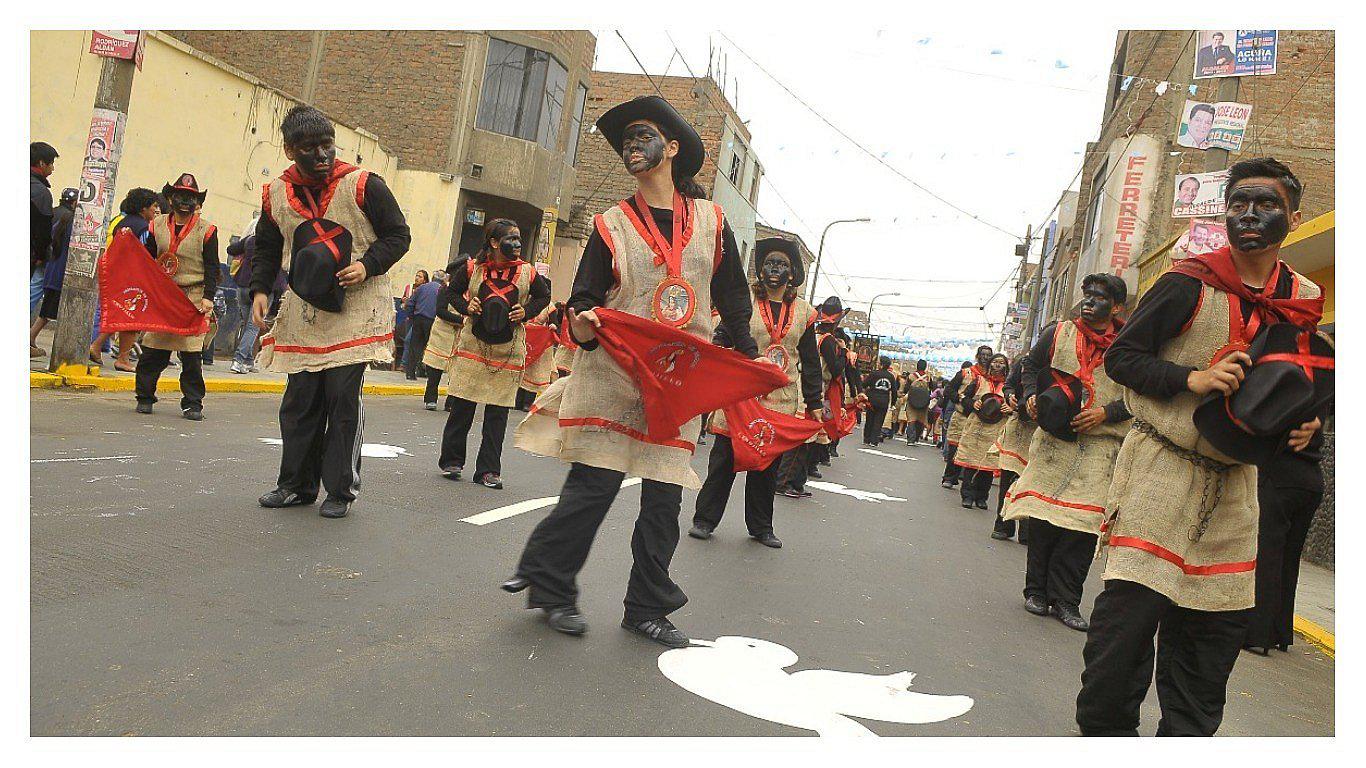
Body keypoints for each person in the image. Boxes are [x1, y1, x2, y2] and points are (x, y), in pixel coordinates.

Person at [1077, 158, 1324, 736]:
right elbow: (1123, 358)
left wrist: (1308, 423)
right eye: (1237, 203)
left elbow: (1306, 377)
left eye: (1264, 204)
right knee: (1125, 636)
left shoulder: (1303, 294)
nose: (1248, 216)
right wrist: (1191, 378)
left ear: (1293, 215)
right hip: (1161, 471)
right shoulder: (1190, 281)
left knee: (1209, 646)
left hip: (1239, 489)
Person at [504, 95, 759, 647]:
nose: (630, 146)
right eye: (624, 140)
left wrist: (745, 363)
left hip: (677, 381)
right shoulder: (611, 224)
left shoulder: (713, 222)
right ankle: (550, 586)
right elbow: (585, 298)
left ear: (671, 148)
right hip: (615, 374)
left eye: (641, 136)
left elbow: (735, 298)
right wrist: (584, 323)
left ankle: (646, 607)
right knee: (593, 487)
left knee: (664, 501)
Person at [251, 105, 412, 519]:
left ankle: (340, 489)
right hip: (305, 309)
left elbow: (399, 235)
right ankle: (295, 485)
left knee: (342, 399)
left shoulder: (364, 185)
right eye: (309, 149)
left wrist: (368, 264)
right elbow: (268, 248)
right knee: (300, 400)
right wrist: (259, 290)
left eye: (327, 146)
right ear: (290, 150)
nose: (321, 156)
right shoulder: (274, 195)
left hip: (358, 307)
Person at [1001, 274, 1130, 632]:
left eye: (1099, 297)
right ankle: (1036, 592)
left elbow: (1142, 394)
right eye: (1086, 295)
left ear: (1116, 307)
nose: (1088, 302)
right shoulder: (1057, 332)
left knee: (1083, 527)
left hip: (1100, 447)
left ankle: (1067, 601)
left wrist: (1109, 413)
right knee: (1043, 520)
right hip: (1053, 441)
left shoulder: (1130, 343)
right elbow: (1031, 367)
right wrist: (1030, 395)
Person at [690, 237, 822, 549]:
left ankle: (761, 527)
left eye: (782, 265)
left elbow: (811, 361)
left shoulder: (804, 313)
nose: (775, 269)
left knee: (767, 466)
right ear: (760, 270)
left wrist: (815, 402)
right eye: (769, 263)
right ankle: (705, 520)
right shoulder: (744, 300)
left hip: (781, 399)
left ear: (792, 274)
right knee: (723, 460)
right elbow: (724, 334)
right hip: (740, 397)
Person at [438, 219, 550, 488]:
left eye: (519, 238)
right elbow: (451, 292)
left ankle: (489, 470)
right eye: (511, 238)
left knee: (497, 414)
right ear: (494, 243)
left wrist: (527, 312)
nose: (517, 243)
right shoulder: (472, 268)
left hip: (507, 351)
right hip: (473, 346)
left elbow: (543, 297)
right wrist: (467, 307)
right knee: (462, 405)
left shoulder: (528, 273)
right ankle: (452, 460)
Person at [133, 173, 220, 420]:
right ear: (170, 199)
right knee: (152, 351)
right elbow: (147, 259)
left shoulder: (208, 230)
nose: (185, 202)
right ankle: (145, 397)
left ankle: (193, 404)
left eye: (191, 198)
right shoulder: (156, 225)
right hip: (162, 295)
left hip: (193, 297)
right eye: (181, 196)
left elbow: (213, 267)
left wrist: (208, 297)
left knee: (192, 356)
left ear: (197, 203)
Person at [776, 296, 850, 497]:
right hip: (813, 390)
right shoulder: (828, 342)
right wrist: (843, 353)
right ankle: (784, 481)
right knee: (801, 439)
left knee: (808, 438)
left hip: (806, 387)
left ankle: (797, 481)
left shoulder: (813, 337)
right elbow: (836, 370)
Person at [90, 188, 160, 371]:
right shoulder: (143, 228)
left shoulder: (123, 223)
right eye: (153, 206)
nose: (155, 210)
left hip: (118, 274)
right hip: (134, 277)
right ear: (143, 208)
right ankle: (123, 358)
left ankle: (97, 346)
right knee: (132, 317)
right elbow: (145, 255)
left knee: (120, 313)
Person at [953, 352, 1011, 509]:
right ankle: (967, 495)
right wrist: (973, 404)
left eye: (1001, 363)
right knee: (971, 462)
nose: (998, 365)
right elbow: (963, 397)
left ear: (1006, 366)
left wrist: (1010, 408)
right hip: (977, 426)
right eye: (995, 362)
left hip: (996, 428)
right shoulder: (979, 380)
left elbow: (1015, 404)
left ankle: (981, 497)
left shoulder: (1009, 386)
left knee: (989, 464)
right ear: (990, 364)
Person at [989, 357, 1035, 542]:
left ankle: (1027, 530)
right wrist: (1010, 396)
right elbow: (1009, 386)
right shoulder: (1026, 363)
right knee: (1007, 478)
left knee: (1032, 483)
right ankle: (1003, 525)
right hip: (1018, 427)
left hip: (1042, 430)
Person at [28, 187, 78, 357]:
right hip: (59, 272)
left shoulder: (56, 214)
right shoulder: (73, 222)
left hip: (50, 266)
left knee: (43, 306)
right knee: (47, 312)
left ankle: (30, 338)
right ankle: (29, 338)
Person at [942, 349, 991, 488]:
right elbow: (949, 390)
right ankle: (950, 477)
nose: (985, 358)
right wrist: (960, 398)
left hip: (979, 421)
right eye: (983, 355)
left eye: (989, 355)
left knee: (973, 449)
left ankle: (968, 480)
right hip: (962, 416)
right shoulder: (965, 373)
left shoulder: (992, 377)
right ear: (977, 356)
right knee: (954, 448)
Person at [420, 263, 464, 410]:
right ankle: (431, 398)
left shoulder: (469, 292)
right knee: (435, 369)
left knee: (457, 371)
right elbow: (441, 311)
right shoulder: (445, 289)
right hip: (442, 333)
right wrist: (461, 320)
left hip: (459, 336)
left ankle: (451, 403)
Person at [30, 142, 58, 333]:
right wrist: (40, 255)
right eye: (51, 164)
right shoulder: (41, 193)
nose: (52, 169)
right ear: (41, 163)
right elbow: (43, 232)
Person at [405, 269, 441, 380]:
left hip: (418, 319)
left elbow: (410, 303)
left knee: (415, 345)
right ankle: (423, 371)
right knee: (429, 347)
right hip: (431, 321)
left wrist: (412, 317)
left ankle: (410, 373)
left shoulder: (421, 288)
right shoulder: (441, 290)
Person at [862, 356, 897, 446]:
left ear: (881, 364)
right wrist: (893, 403)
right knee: (879, 421)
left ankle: (867, 438)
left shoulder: (874, 373)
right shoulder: (891, 376)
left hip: (872, 399)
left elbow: (864, 384)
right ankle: (874, 441)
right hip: (884, 401)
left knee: (869, 419)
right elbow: (894, 391)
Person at [904, 360, 932, 445]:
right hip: (923, 402)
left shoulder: (911, 376)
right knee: (921, 420)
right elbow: (931, 389)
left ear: (917, 366)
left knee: (911, 420)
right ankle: (916, 438)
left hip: (912, 401)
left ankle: (910, 439)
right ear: (925, 367)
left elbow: (906, 389)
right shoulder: (928, 378)